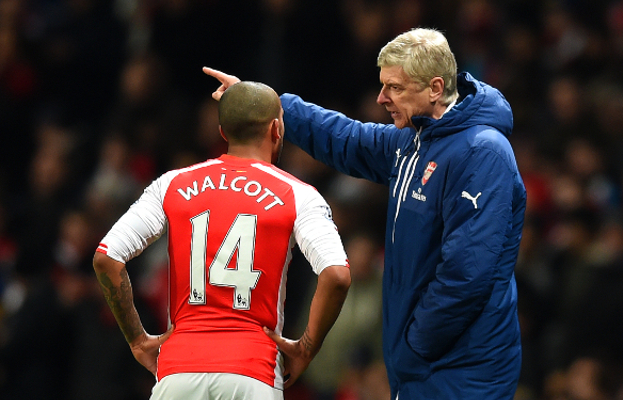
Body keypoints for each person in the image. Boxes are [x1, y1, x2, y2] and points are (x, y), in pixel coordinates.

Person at [204, 26, 526, 399]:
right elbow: (347, 139)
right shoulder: (417, 138)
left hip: (461, 369)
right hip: (423, 365)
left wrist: (416, 342)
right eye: (383, 85)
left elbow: (467, 274)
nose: (381, 98)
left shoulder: (482, 152)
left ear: (436, 88)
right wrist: (267, 104)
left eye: (395, 88)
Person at [92, 81, 351, 400]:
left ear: (222, 132)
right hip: (252, 371)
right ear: (276, 128)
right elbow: (337, 275)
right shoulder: (299, 195)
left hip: (178, 371)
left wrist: (137, 339)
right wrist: (306, 348)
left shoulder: (171, 184)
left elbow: (106, 257)